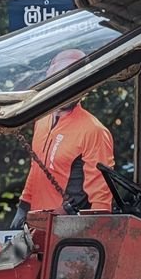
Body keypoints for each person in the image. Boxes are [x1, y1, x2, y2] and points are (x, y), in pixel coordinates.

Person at [10, 49, 116, 229]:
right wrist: (23, 206)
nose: (67, 90)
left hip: (67, 230)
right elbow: (37, 168)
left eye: (75, 83)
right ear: (50, 79)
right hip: (37, 225)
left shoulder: (93, 130)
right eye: (62, 83)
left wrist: (98, 234)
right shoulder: (43, 119)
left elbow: (101, 198)